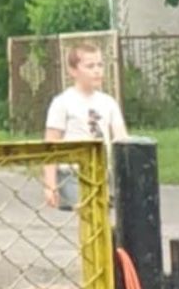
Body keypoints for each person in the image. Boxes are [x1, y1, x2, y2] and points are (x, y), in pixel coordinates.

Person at [42, 44, 128, 210]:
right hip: (73, 174)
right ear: (73, 71)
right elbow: (51, 144)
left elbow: (121, 138)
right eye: (90, 66)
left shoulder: (108, 103)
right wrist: (50, 184)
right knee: (86, 214)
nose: (97, 71)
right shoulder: (62, 103)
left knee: (104, 215)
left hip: (103, 173)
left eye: (100, 65)